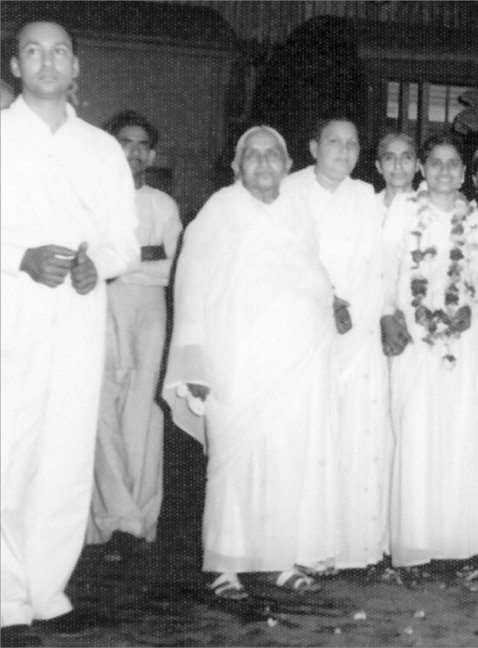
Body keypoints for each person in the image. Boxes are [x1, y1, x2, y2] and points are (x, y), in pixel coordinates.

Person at [1, 20, 139, 644]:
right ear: (15, 65)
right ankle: (5, 595)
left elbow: (124, 242)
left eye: (59, 51)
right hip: (13, 310)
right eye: (33, 51)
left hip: (79, 316)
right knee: (8, 452)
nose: (47, 62)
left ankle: (47, 588)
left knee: (65, 454)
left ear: (76, 66)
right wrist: (19, 257)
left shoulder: (101, 149)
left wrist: (97, 265)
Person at [162, 126, 339, 599]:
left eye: (272, 154)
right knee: (231, 465)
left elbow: (310, 273)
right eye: (253, 155)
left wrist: (331, 300)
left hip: (297, 360)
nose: (263, 162)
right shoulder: (219, 211)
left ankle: (280, 561)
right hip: (233, 361)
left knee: (287, 460)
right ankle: (225, 567)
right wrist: (193, 364)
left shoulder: (298, 211)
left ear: (287, 164)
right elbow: (190, 288)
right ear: (236, 166)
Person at [381, 134, 478, 566]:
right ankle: (416, 540)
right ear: (422, 168)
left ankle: (458, 540)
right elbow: (384, 270)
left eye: (453, 164)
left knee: (460, 433)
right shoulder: (403, 210)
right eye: (436, 162)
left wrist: (475, 311)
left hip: (463, 339)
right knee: (416, 428)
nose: (445, 171)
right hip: (415, 339)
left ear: (464, 173)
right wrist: (388, 315)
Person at [283, 117, 392, 572]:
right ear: (313, 147)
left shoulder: (364, 195)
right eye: (334, 142)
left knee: (356, 433)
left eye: (352, 144)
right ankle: (306, 547)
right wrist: (325, 298)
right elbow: (284, 258)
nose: (344, 151)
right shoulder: (289, 191)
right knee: (313, 435)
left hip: (360, 334)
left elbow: (381, 262)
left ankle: (356, 544)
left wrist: (381, 314)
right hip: (309, 329)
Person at [88, 111, 182, 560]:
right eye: (126, 142)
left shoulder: (163, 205)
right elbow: (89, 265)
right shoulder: (93, 200)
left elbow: (173, 269)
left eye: (143, 144)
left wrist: (121, 265)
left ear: (153, 154)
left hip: (149, 313)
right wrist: (141, 260)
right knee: (101, 411)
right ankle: (113, 518)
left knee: (142, 411)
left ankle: (140, 518)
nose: (135, 152)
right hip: (100, 308)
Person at [375, 132, 418, 217]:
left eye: (406, 157)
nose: (398, 165)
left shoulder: (430, 211)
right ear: (379, 166)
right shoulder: (366, 209)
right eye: (389, 158)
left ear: (417, 165)